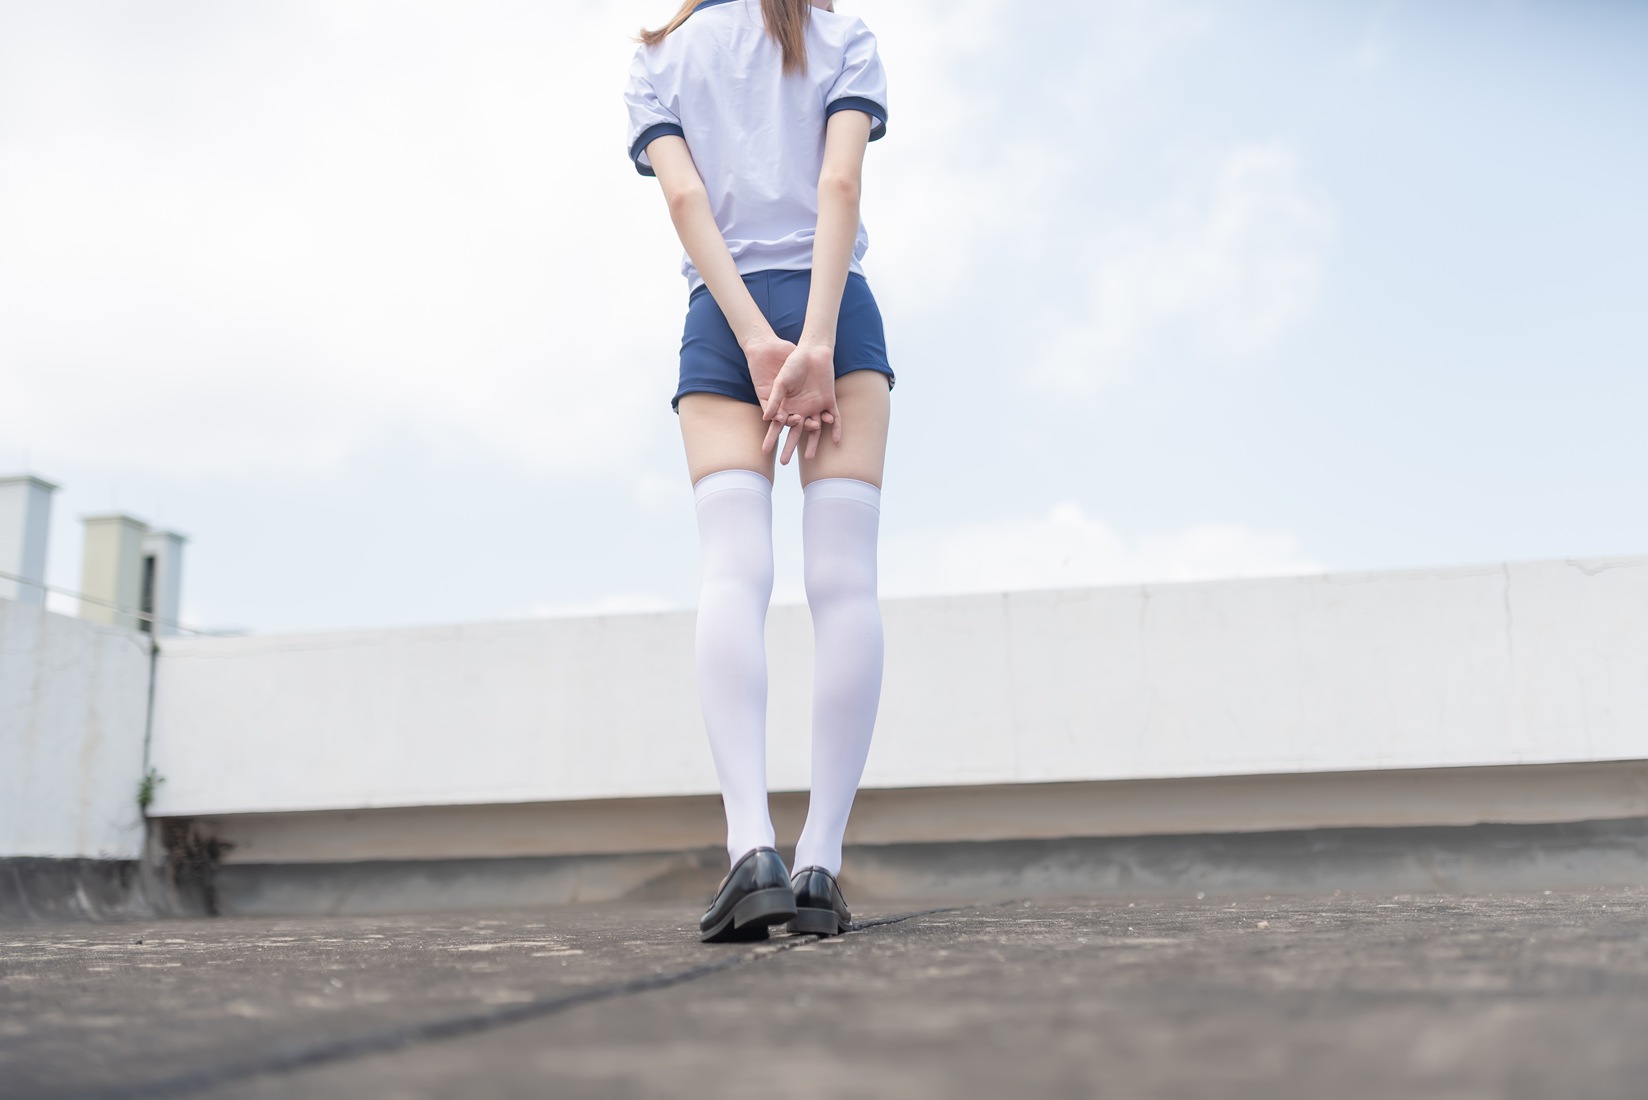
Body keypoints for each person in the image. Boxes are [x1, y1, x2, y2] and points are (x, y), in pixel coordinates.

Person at [624, 0, 893, 942]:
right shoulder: (844, 39)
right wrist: (814, 343)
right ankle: (820, 863)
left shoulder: (659, 57)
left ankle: (752, 851)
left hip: (723, 321)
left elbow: (685, 204)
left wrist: (755, 340)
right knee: (844, 581)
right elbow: (839, 186)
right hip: (836, 315)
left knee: (733, 573)